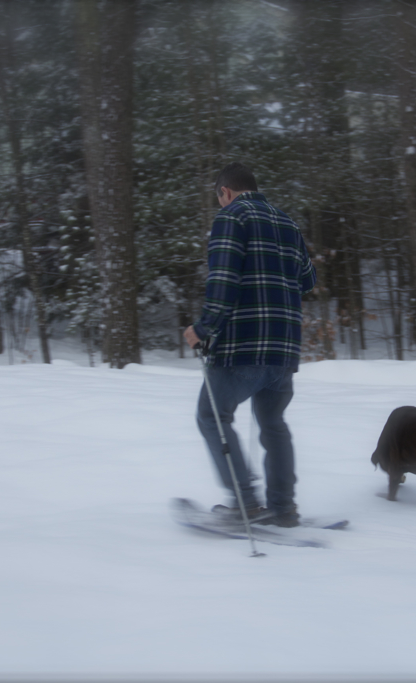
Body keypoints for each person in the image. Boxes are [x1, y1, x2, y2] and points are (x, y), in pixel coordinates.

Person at [183, 162, 316, 528]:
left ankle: (246, 502)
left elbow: (223, 281)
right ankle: (284, 507)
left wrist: (204, 328)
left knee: (212, 415)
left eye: (218, 198)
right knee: (273, 421)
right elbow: (307, 280)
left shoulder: (232, 218)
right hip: (284, 348)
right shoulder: (287, 222)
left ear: (225, 191)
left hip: (244, 346)